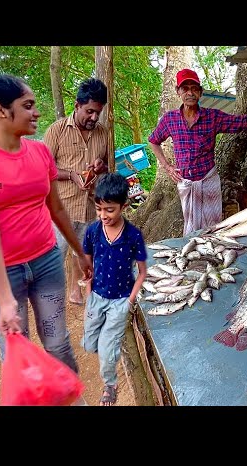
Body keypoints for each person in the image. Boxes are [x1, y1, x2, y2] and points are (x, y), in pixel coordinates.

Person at [0, 74, 93, 375]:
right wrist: (4, 301)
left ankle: (70, 395)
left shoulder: (39, 152)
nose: (36, 113)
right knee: (19, 350)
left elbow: (56, 208)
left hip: (46, 260)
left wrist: (80, 252)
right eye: (28, 106)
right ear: (0, 110)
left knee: (58, 343)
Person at [147, 68, 247, 235]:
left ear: (200, 92)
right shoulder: (170, 119)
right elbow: (153, 141)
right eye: (185, 88)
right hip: (186, 184)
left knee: (213, 228)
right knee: (191, 230)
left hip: (209, 180)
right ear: (178, 91)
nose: (190, 92)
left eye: (194, 88)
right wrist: (167, 166)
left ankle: (212, 258)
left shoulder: (212, 117)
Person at [81, 172, 148, 406]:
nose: (103, 215)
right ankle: (107, 341)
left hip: (121, 300)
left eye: (110, 210)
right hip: (96, 297)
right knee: (90, 344)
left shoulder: (133, 236)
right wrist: (89, 293)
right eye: (99, 209)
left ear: (124, 206)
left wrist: (129, 301)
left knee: (107, 348)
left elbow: (142, 273)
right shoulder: (92, 231)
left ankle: (110, 384)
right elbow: (87, 265)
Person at [43, 78, 109, 305]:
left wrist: (101, 167)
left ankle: (74, 290)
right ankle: (50, 299)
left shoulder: (103, 133)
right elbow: (44, 168)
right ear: (77, 105)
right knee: (54, 255)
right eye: (89, 111)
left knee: (81, 252)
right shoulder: (57, 131)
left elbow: (108, 166)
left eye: (97, 113)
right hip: (62, 207)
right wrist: (71, 175)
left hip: (90, 208)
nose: (93, 118)